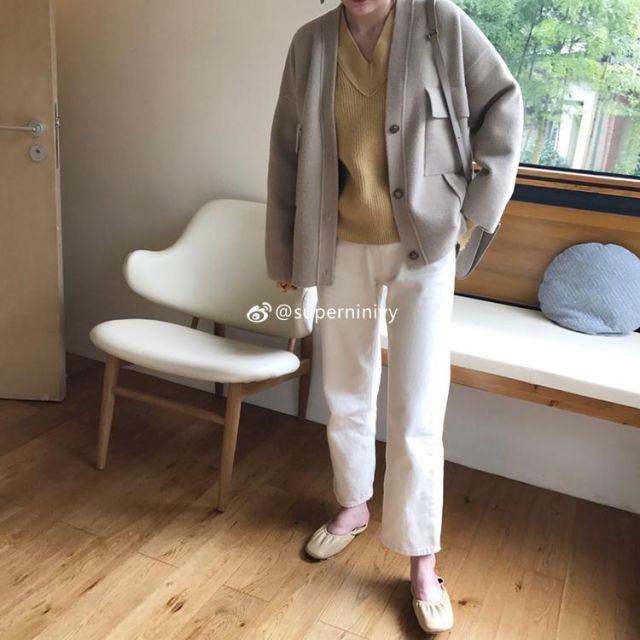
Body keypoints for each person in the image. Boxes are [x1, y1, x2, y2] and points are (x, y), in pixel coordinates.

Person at [265, 0, 523, 633]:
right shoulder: (311, 43)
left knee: (418, 407)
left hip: (424, 250)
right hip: (341, 248)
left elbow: (504, 103)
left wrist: (473, 212)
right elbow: (286, 150)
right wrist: (287, 251)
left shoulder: (442, 21)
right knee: (344, 389)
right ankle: (353, 505)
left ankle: (421, 558)